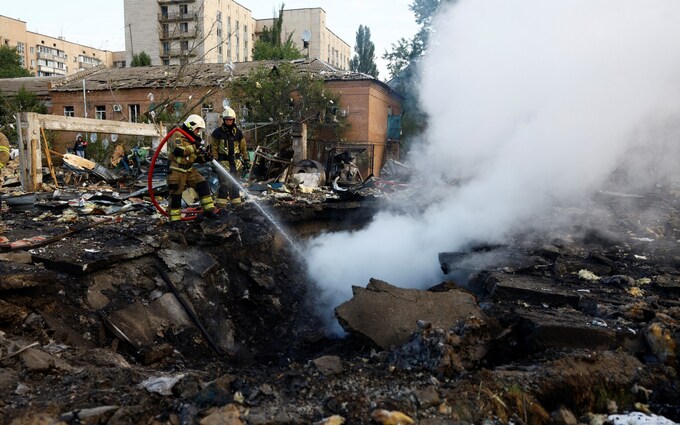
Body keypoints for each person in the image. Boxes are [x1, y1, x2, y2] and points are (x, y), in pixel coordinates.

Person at [167, 114, 217, 225]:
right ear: (191, 126)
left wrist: (206, 157)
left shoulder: (193, 140)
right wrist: (195, 146)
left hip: (189, 170)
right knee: (176, 195)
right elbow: (179, 151)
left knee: (202, 184)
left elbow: (196, 158)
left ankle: (209, 211)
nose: (198, 132)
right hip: (177, 170)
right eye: (197, 129)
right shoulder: (177, 134)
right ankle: (175, 221)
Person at [210, 107, 249, 207]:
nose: (229, 121)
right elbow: (213, 148)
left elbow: (243, 148)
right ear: (224, 120)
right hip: (223, 163)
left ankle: (236, 204)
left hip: (236, 163)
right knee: (224, 184)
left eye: (230, 119)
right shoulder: (217, 132)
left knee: (235, 184)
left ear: (233, 120)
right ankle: (221, 205)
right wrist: (215, 161)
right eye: (227, 119)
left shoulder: (238, 133)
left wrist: (246, 160)